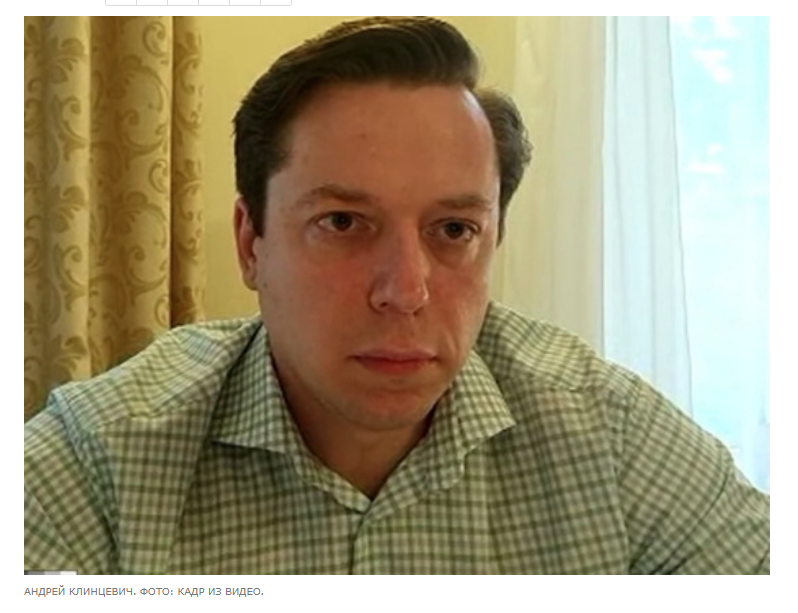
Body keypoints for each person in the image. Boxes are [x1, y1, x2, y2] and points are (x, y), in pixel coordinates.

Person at [24, 16, 769, 575]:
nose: (406, 291)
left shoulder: (613, 440)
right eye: (343, 222)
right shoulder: (97, 469)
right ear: (252, 243)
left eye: (454, 230)